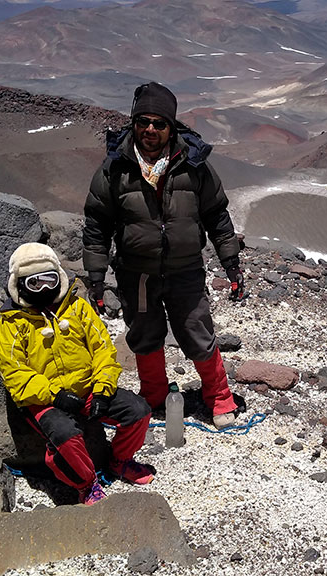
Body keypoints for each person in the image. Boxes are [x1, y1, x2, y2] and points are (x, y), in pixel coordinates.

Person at [83, 81, 245, 429]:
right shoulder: (115, 167)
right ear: (133, 123)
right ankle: (154, 396)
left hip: (185, 269)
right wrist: (96, 276)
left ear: (171, 127)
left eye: (159, 123)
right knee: (145, 332)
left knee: (197, 331)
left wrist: (231, 264)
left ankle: (220, 398)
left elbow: (217, 215)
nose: (150, 130)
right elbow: (97, 223)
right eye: (143, 121)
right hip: (136, 272)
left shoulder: (194, 164)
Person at [0, 242, 154, 505]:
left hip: (88, 389)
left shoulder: (77, 307)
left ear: (59, 276)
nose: (44, 289)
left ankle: (120, 460)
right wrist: (55, 395)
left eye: (49, 280)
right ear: (19, 285)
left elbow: (103, 349)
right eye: (35, 283)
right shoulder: (12, 324)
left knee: (138, 411)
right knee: (64, 435)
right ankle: (86, 485)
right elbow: (15, 373)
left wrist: (102, 389)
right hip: (44, 400)